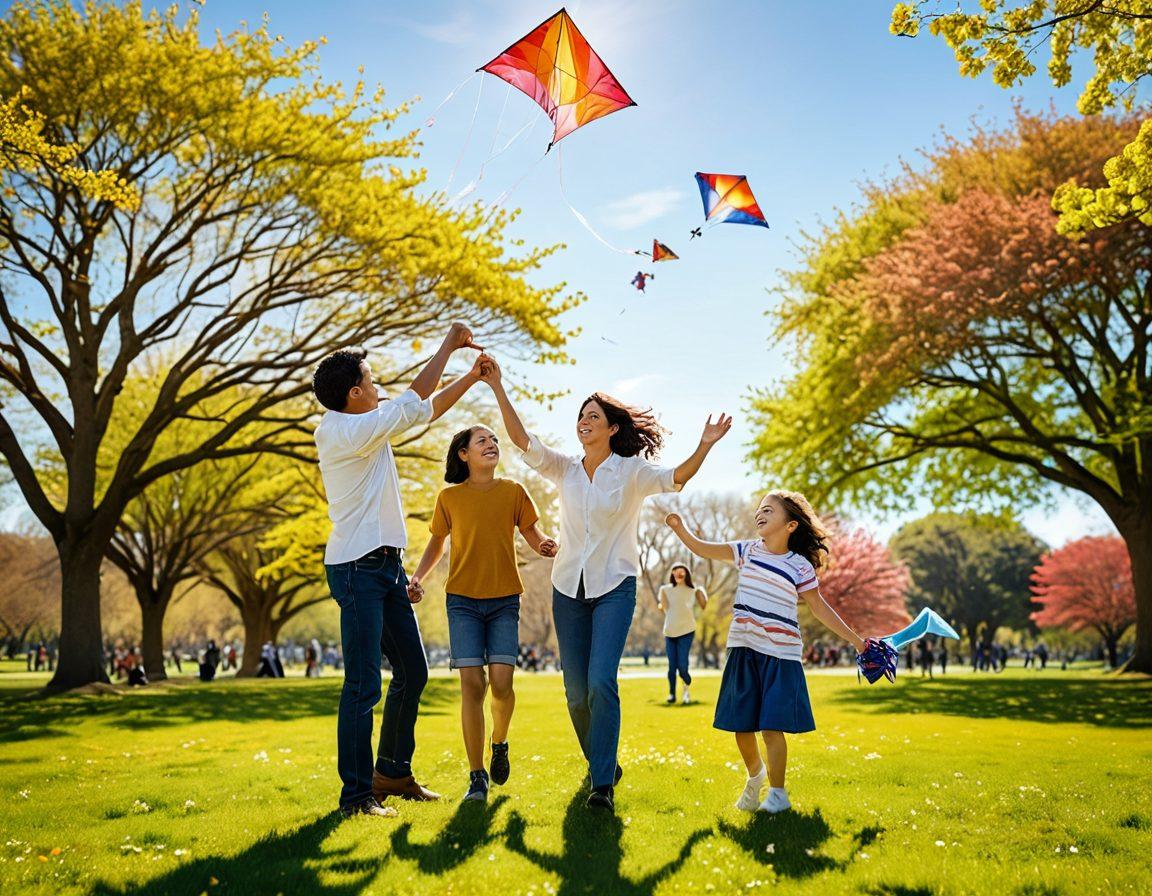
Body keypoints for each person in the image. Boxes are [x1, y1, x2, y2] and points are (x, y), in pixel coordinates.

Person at [485, 357, 731, 813]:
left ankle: (602, 785)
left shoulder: (632, 471)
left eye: (593, 416)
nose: (584, 422)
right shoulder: (566, 469)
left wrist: (704, 446)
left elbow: (677, 477)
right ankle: (604, 762)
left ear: (612, 429)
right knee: (575, 692)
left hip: (615, 585)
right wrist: (498, 386)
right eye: (581, 416)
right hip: (567, 588)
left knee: (601, 682)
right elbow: (523, 442)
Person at [314, 322, 490, 819]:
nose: (378, 388)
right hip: (356, 567)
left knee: (412, 671)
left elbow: (423, 407)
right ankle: (356, 798)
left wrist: (472, 378)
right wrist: (449, 345)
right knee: (363, 685)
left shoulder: (363, 423)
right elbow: (415, 397)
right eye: (371, 382)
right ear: (354, 394)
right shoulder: (347, 430)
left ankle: (391, 773)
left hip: (385, 566)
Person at [666, 490, 871, 815]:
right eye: (759, 509)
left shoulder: (799, 566)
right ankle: (755, 775)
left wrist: (859, 642)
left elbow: (819, 608)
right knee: (741, 727)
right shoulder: (746, 551)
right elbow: (702, 549)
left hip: (781, 654)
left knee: (771, 727)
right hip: (743, 649)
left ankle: (777, 794)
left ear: (791, 525)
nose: (760, 514)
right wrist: (680, 530)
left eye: (769, 510)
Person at [408, 423, 557, 803]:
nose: (491, 444)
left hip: (506, 599)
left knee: (503, 685)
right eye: (482, 441)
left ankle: (499, 741)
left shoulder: (513, 492)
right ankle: (476, 776)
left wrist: (543, 545)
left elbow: (532, 533)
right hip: (462, 602)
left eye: (494, 440)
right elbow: (437, 545)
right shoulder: (450, 498)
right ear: (464, 454)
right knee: (473, 686)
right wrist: (417, 577)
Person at [656, 564, 708, 704]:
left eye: (681, 573)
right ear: (672, 574)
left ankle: (686, 689)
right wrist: (661, 604)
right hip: (670, 631)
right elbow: (664, 607)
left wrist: (702, 592)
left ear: (686, 574)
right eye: (675, 573)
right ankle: (672, 694)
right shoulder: (665, 589)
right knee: (672, 666)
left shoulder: (693, 590)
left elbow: (704, 604)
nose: (678, 575)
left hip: (687, 630)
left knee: (683, 666)